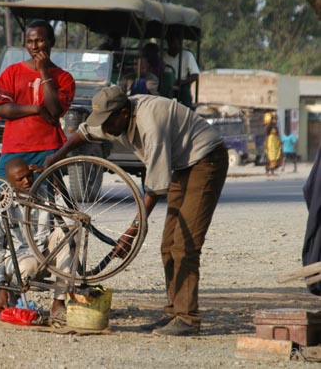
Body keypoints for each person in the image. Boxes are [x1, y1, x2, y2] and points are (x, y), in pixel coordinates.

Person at [44, 87, 228, 336]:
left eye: (108, 122)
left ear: (123, 113)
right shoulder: (114, 120)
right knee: (168, 245)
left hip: (206, 160)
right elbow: (85, 133)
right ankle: (173, 312)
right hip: (182, 164)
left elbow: (154, 186)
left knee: (185, 245)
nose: (106, 130)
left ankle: (188, 318)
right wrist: (57, 156)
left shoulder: (150, 123)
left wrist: (131, 232)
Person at [0, 157, 73, 319]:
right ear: (9, 183)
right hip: (19, 261)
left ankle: (58, 303)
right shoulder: (1, 205)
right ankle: (13, 295)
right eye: (20, 179)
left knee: (68, 232)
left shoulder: (46, 193)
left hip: (44, 253)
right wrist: (1, 286)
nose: (27, 182)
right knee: (28, 265)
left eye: (29, 176)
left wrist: (51, 178)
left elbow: (72, 217)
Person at [0, 19, 75, 178]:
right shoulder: (12, 72)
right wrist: (36, 109)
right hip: (13, 147)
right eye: (29, 42)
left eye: (40, 41)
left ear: (51, 42)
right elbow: (0, 108)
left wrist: (43, 72)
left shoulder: (64, 78)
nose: (34, 47)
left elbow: (55, 111)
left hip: (47, 147)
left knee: (42, 198)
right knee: (3, 196)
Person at [163, 32, 199, 108]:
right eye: (172, 44)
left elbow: (195, 75)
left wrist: (182, 82)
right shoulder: (163, 55)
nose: (175, 46)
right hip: (165, 83)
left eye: (177, 44)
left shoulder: (187, 55)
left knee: (185, 93)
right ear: (168, 44)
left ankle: (188, 112)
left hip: (181, 84)